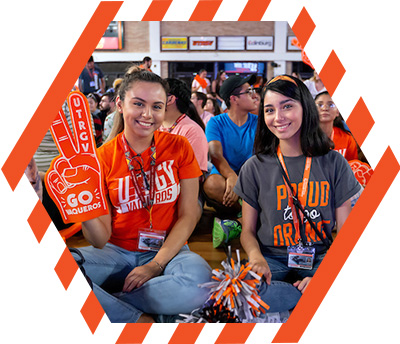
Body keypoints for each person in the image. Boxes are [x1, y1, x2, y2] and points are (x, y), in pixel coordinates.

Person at [72, 66, 212, 323]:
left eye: (157, 106)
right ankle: (143, 319)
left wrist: (154, 265)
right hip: (116, 252)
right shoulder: (101, 158)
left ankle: (115, 305)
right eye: (138, 104)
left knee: (201, 285)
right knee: (60, 267)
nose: (148, 114)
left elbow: (190, 214)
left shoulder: (178, 146)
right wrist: (84, 205)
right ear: (120, 104)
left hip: (170, 251)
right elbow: (99, 240)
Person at [234, 74, 361, 302]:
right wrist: (255, 257)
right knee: (242, 292)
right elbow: (248, 231)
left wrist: (325, 275)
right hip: (271, 258)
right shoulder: (254, 167)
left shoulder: (334, 163)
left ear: (305, 108)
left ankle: (300, 295)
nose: (278, 117)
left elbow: (346, 233)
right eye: (269, 110)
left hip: (321, 257)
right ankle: (306, 297)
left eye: (287, 106)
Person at [203, 74, 258, 247]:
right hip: (225, 179)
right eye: (249, 91)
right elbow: (215, 154)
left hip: (250, 179)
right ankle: (251, 219)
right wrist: (232, 177)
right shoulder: (216, 122)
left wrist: (242, 181)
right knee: (212, 184)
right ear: (234, 99)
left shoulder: (260, 122)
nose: (254, 95)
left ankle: (235, 224)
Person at [158, 78, 209, 223]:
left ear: (170, 99)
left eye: (157, 94)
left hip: (184, 195)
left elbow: (194, 177)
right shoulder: (153, 126)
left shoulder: (191, 131)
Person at [315, 91, 358, 161]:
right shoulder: (303, 137)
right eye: (320, 105)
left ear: (337, 112)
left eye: (331, 105)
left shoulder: (347, 138)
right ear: (313, 110)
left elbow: (353, 167)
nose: (325, 108)